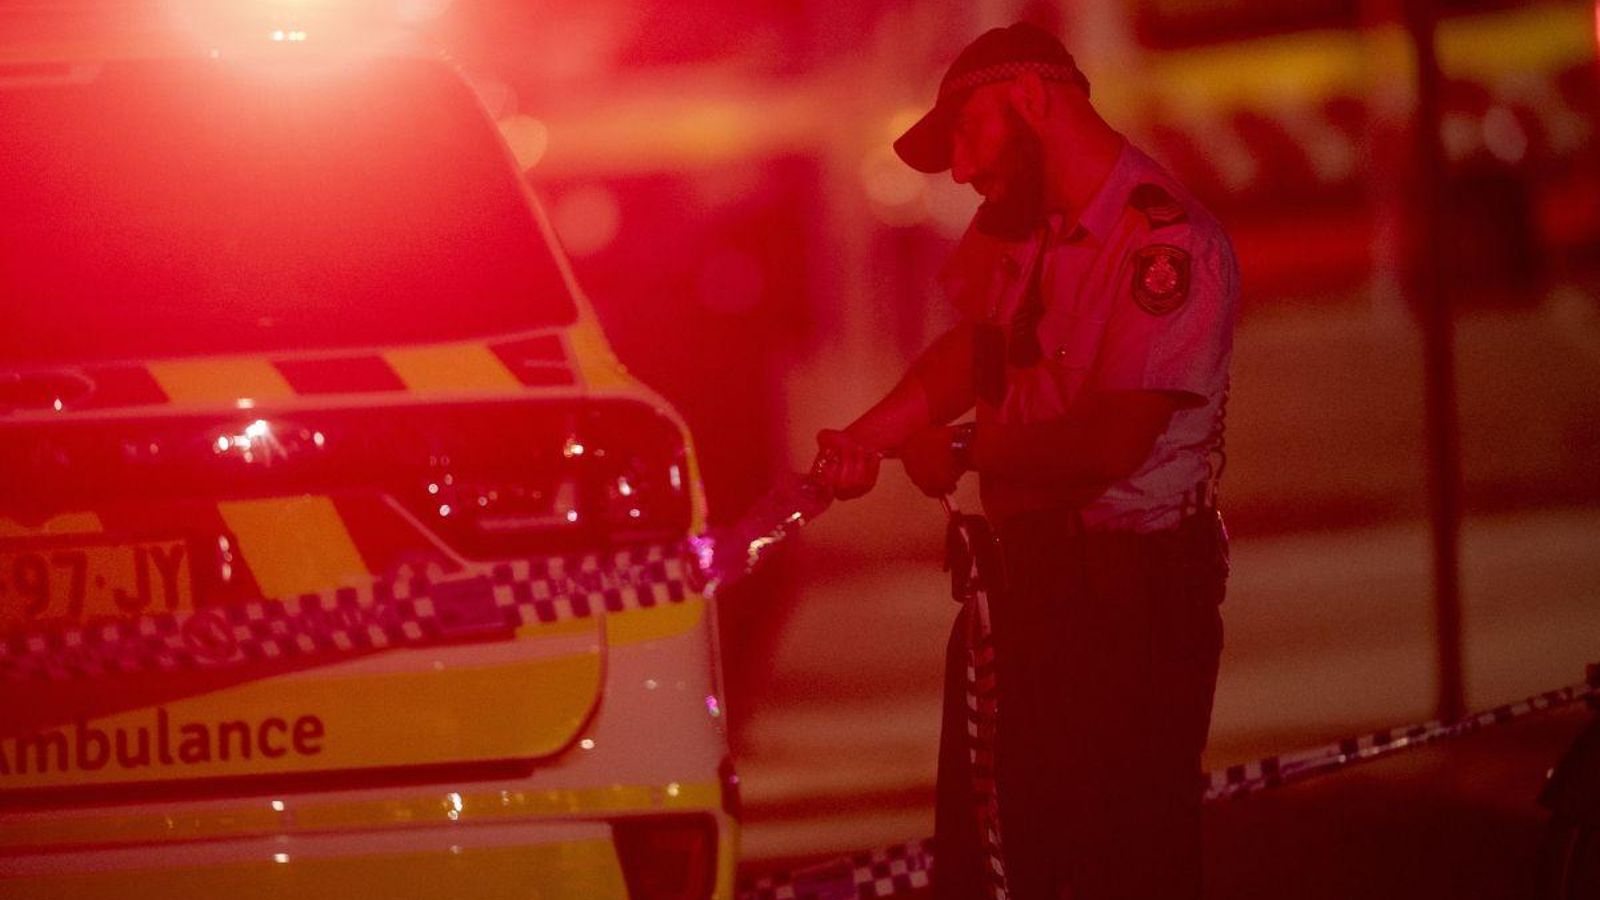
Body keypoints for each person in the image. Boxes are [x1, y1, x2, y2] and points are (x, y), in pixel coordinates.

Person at [814, 21, 1238, 900]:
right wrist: (868, 437)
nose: (961, 170)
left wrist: (966, 447)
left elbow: (1112, 443)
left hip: (1130, 596)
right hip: (1024, 584)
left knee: (1118, 861)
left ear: (1033, 103)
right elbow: (971, 353)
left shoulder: (1166, 244)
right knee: (999, 854)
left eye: (967, 135)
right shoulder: (1016, 229)